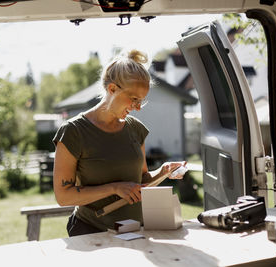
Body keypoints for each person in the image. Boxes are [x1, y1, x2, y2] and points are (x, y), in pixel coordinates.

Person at [52, 49, 186, 237]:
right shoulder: (73, 132)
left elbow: (141, 182)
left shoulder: (135, 129)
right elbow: (64, 196)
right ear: (112, 89)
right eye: (134, 99)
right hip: (92, 232)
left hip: (135, 231)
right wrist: (114, 188)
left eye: (141, 101)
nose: (138, 108)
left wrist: (163, 171)